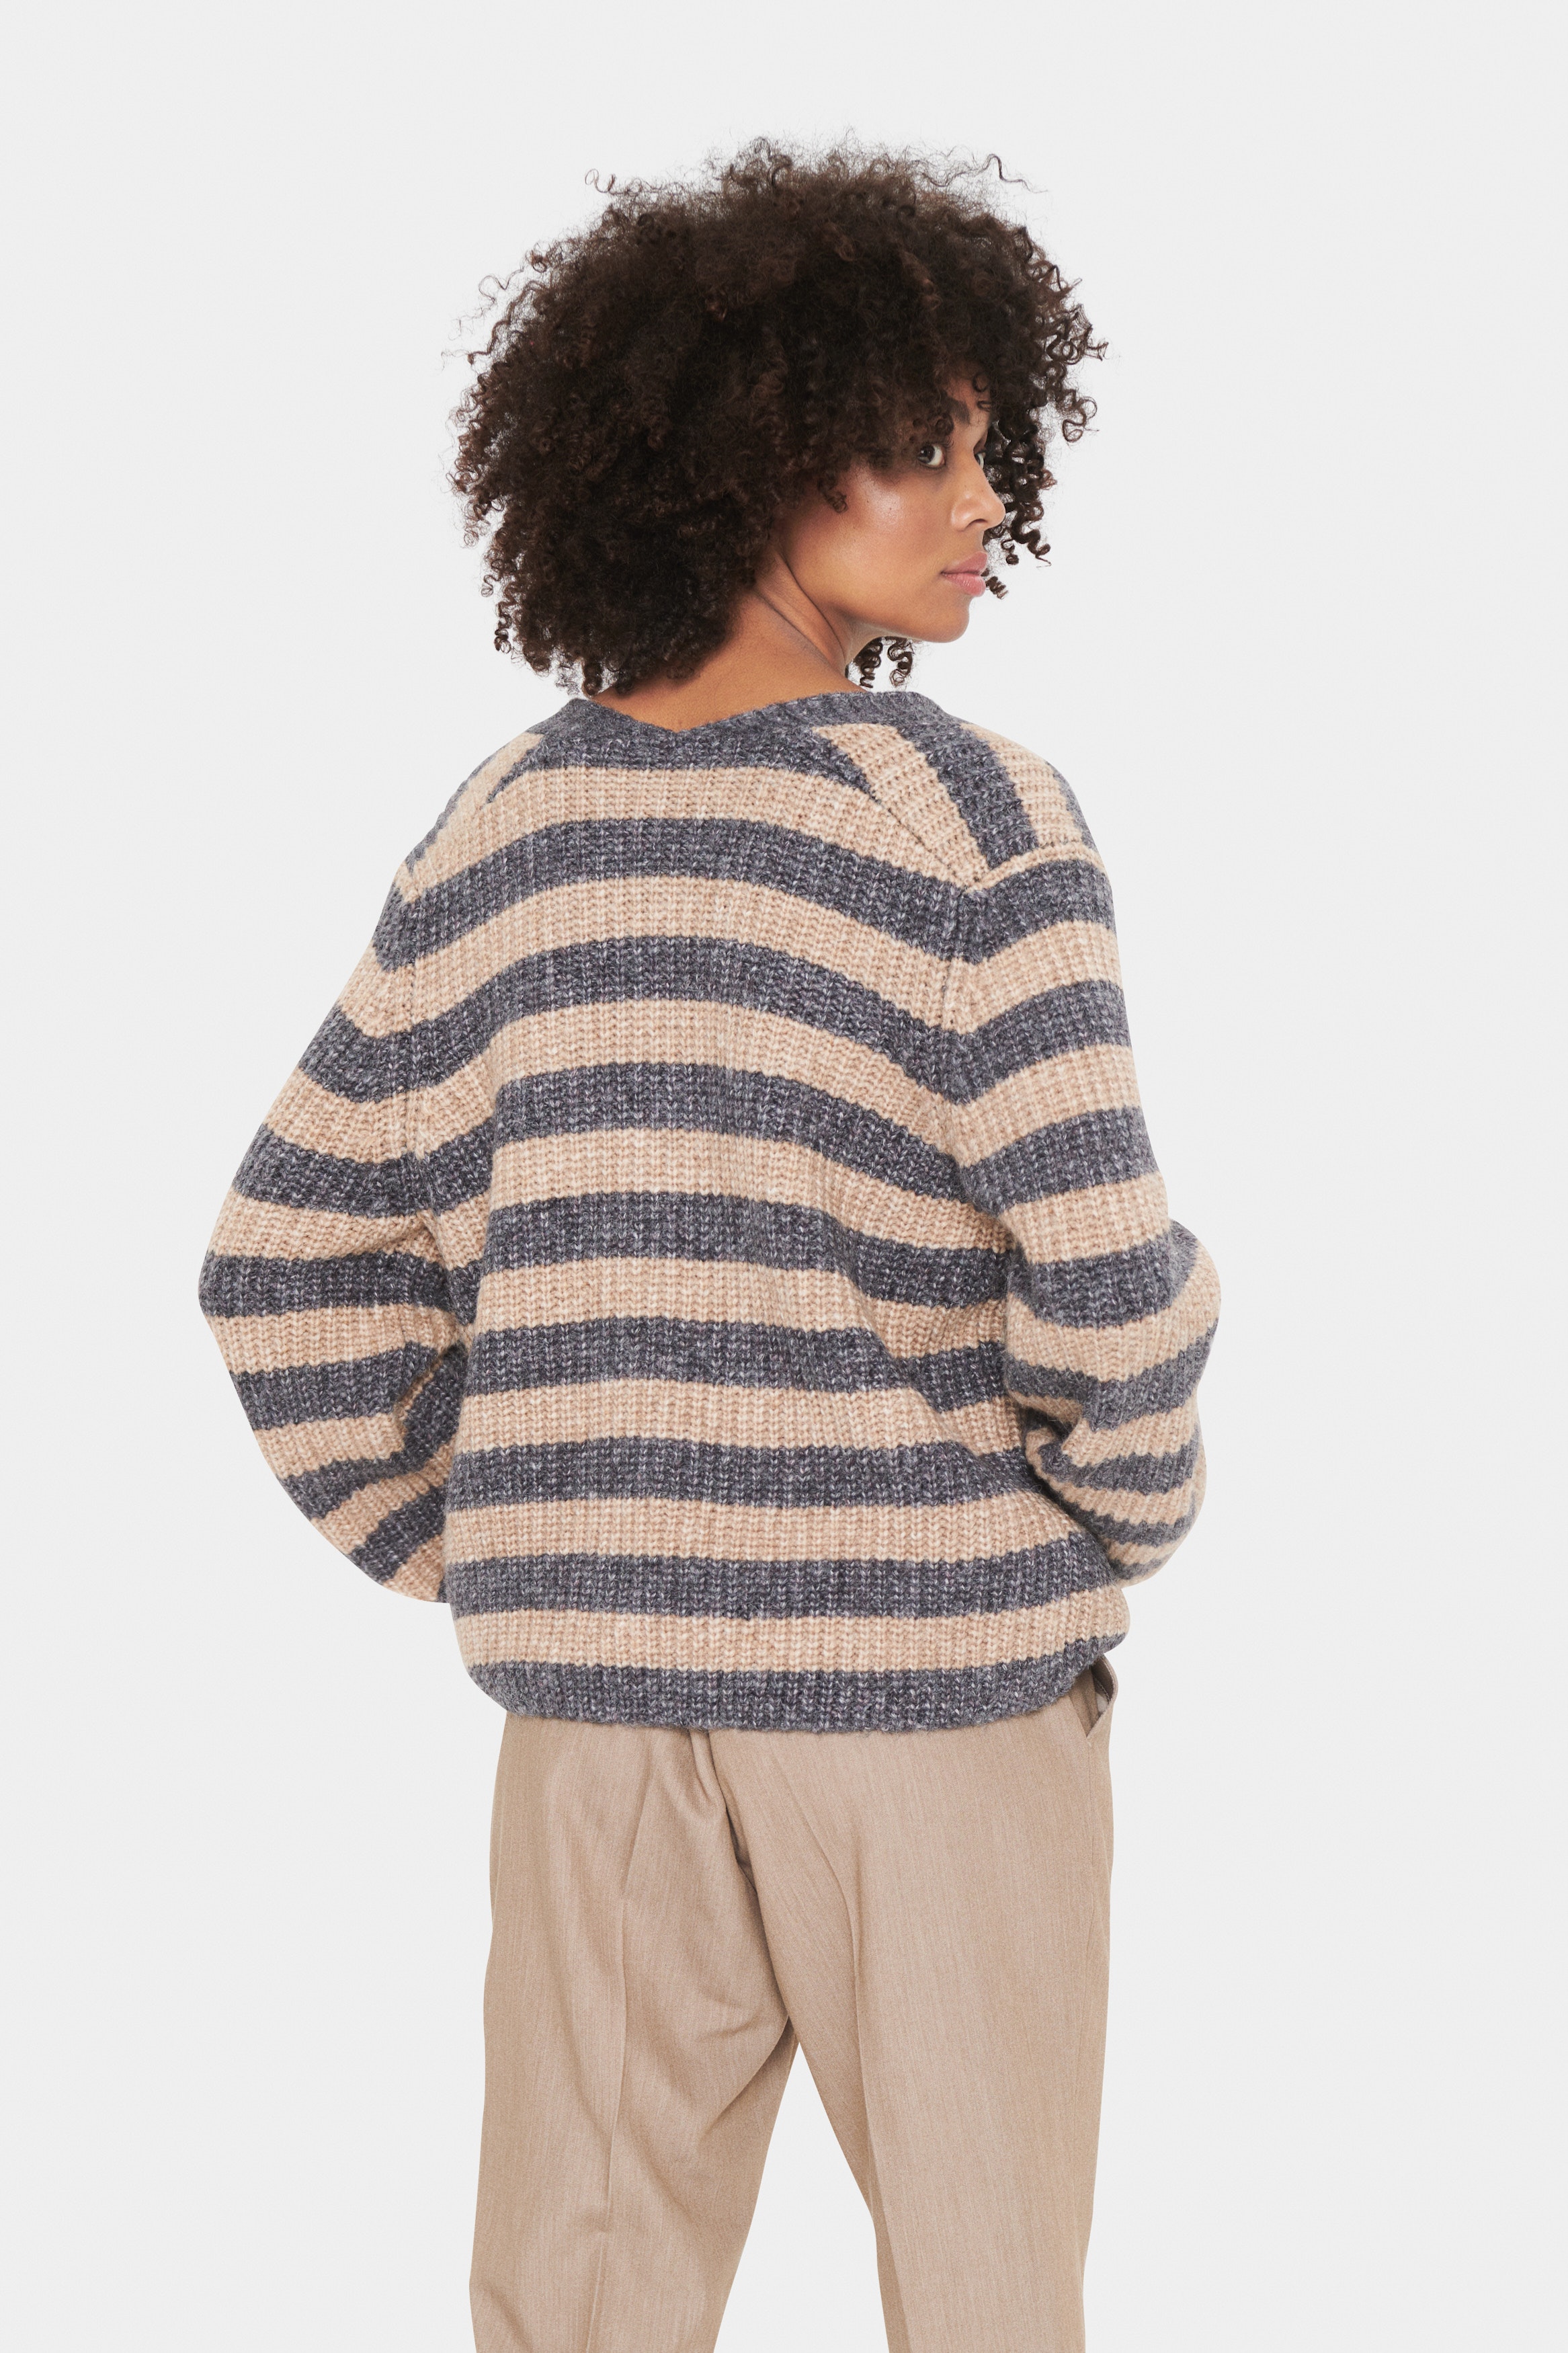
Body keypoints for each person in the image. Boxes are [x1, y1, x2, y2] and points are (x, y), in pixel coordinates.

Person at [199, 140, 1220, 2353]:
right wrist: (1116, 1521)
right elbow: (1108, 1276)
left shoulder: (505, 827)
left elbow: (285, 1259)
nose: (981, 501)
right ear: (759, 459)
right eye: (921, 446)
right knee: (988, 2304)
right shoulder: (969, 822)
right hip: (935, 1708)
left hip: (597, 1732)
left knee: (573, 2312)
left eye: (987, 448)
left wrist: (503, 1534)